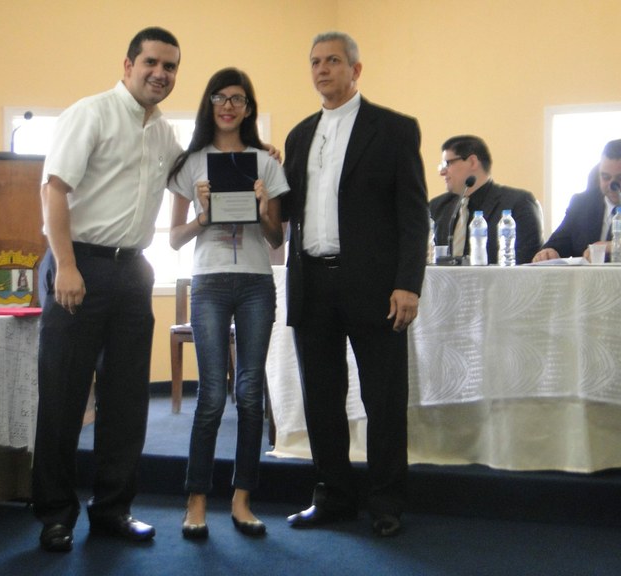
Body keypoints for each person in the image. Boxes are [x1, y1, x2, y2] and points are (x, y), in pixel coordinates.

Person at [32, 27, 182, 553]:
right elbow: (54, 191)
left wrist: (254, 156)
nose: (160, 73)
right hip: (79, 267)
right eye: (151, 62)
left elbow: (196, 174)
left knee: (126, 402)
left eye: (169, 66)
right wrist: (67, 266)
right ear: (128, 65)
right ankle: (55, 514)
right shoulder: (90, 113)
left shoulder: (164, 133)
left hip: (133, 272)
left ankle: (113, 509)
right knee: (64, 397)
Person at [281, 31, 428, 537]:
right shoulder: (300, 136)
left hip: (376, 287)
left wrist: (408, 283)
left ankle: (386, 502)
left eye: (333, 61)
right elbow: (288, 208)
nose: (322, 70)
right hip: (312, 284)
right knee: (322, 399)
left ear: (356, 69)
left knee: (383, 400)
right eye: (315, 62)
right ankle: (334, 497)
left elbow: (414, 216)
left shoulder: (394, 129)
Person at [168, 68, 288, 540]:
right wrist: (202, 216)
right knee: (213, 394)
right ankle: (196, 499)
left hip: (257, 282)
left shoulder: (266, 162)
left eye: (238, 98)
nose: (228, 106)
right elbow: (175, 239)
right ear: (209, 103)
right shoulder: (191, 163)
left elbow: (276, 239)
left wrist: (262, 210)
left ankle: (242, 498)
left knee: (251, 392)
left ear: (249, 108)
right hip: (210, 283)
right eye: (220, 97)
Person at [430, 135, 543, 264]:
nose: (442, 172)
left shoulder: (518, 203)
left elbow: (527, 263)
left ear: (472, 162)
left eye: (447, 164)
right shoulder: (436, 207)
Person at [532, 139, 621, 263]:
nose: (612, 185)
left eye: (619, 178)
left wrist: (614, 246)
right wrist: (549, 252)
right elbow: (558, 242)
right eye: (605, 177)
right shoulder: (581, 204)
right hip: (586, 275)